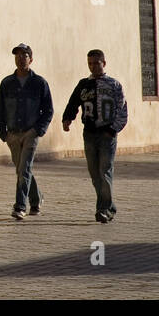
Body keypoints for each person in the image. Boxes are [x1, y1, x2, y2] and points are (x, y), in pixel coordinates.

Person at [62, 48, 128, 223]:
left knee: (105, 170)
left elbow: (122, 110)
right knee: (94, 172)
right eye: (90, 63)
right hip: (89, 133)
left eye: (96, 63)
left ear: (104, 63)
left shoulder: (114, 85)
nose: (93, 66)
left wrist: (112, 129)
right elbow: (73, 102)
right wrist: (67, 119)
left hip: (107, 134)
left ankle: (104, 209)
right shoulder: (83, 84)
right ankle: (109, 206)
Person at [0, 42, 53, 220]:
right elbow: (1, 109)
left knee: (24, 168)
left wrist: (38, 130)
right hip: (12, 133)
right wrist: (3, 133)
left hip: (30, 132)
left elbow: (48, 110)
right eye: (17, 55)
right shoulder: (7, 83)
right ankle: (36, 199)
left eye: (24, 55)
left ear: (31, 59)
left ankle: (20, 206)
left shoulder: (39, 83)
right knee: (22, 169)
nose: (21, 59)